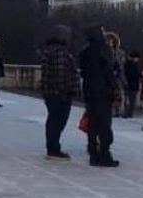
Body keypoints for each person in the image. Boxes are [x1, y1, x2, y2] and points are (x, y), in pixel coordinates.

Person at [78, 25, 119, 166]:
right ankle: (105, 153)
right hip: (103, 92)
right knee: (104, 124)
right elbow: (108, 71)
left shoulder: (85, 52)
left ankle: (93, 153)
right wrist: (115, 87)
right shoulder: (104, 50)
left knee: (93, 123)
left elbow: (83, 72)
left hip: (90, 91)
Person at [40, 25, 78, 160]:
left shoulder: (48, 51)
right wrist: (65, 91)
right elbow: (61, 73)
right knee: (58, 120)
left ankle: (52, 146)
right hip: (59, 93)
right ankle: (54, 148)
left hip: (49, 92)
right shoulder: (60, 52)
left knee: (52, 120)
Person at [123, 51, 142, 119]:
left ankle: (128, 113)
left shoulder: (127, 64)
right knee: (131, 100)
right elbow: (134, 74)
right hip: (132, 84)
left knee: (129, 100)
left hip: (130, 84)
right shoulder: (132, 65)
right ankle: (128, 113)